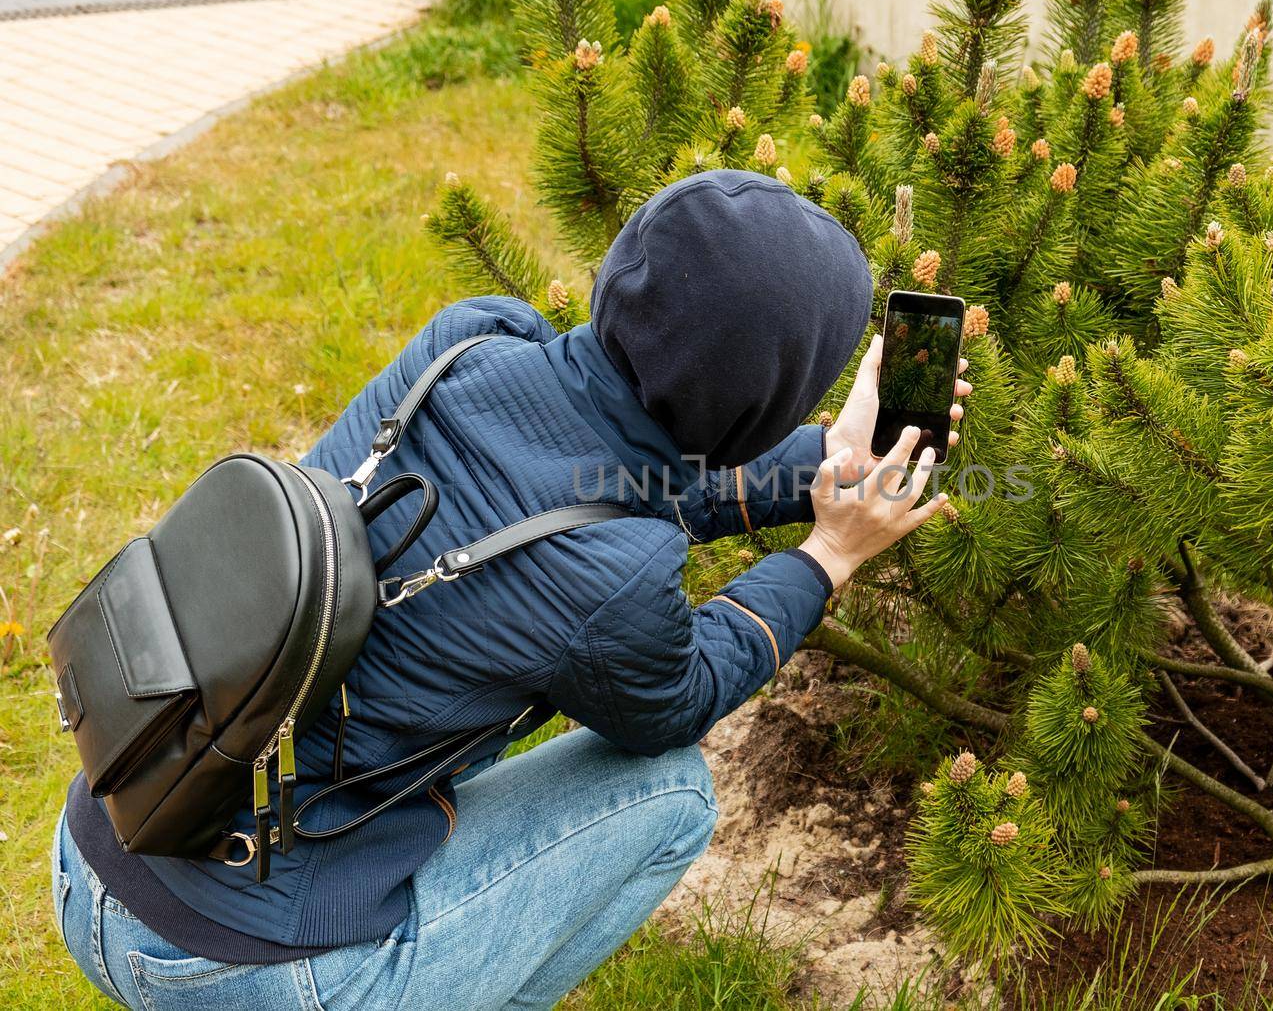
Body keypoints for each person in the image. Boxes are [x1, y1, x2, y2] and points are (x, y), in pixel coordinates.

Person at [52, 170, 971, 1009]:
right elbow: (675, 701)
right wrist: (829, 556)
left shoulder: (472, 340)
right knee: (674, 795)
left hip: (105, 833)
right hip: (250, 971)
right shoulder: (617, 574)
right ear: (763, 400)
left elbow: (600, 471)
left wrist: (832, 461)